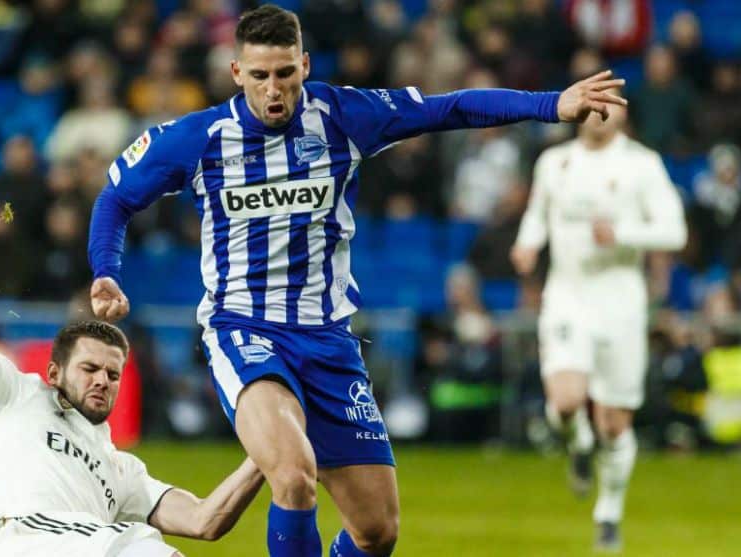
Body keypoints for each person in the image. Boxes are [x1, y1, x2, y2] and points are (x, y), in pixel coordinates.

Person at [87, 5, 627, 556]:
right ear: (235, 73)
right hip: (243, 330)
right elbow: (116, 198)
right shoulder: (198, 138)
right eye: (259, 76)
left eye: (285, 74)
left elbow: (452, 108)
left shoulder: (343, 115)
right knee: (294, 477)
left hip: (328, 340)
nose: (274, 90)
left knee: (377, 532)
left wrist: (550, 105)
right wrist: (106, 271)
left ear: (304, 64)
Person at [0, 163, 264, 557]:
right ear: (54, 372)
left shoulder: (122, 471)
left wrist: (271, 453)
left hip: (95, 544)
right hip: (29, 540)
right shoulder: (14, 394)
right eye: (90, 369)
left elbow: (205, 520)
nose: (103, 381)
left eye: (113, 374)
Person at [510, 87, 687, 551]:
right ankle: (578, 442)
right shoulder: (554, 163)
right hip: (567, 294)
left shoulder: (642, 165)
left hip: (621, 299)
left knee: (615, 421)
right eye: (591, 107)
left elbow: (674, 230)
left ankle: (608, 513)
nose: (596, 115)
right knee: (566, 401)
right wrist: (528, 244)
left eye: (608, 109)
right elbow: (538, 214)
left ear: (624, 116)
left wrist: (623, 233)